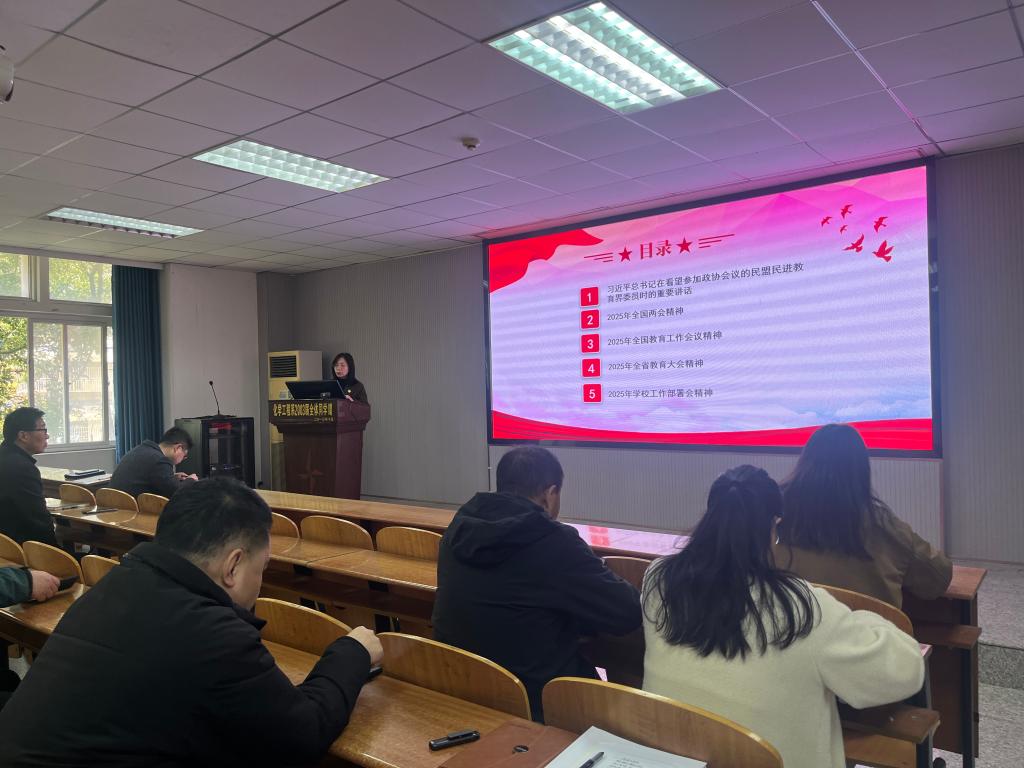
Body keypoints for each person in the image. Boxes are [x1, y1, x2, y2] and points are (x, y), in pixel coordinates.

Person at [0, 477, 383, 767]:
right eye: (262, 568)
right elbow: (302, 736)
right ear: (233, 566)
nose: (260, 582)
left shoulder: (116, 583)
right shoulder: (212, 634)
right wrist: (353, 652)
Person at [642, 465, 924, 768]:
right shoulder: (803, 610)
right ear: (773, 528)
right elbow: (904, 672)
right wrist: (871, 619)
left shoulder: (659, 580)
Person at [432, 446, 641, 721]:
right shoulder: (553, 541)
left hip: (461, 687)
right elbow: (627, 612)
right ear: (549, 494)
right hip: (539, 704)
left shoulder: (458, 529)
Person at [774, 423, 952, 607]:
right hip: (872, 627)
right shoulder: (884, 527)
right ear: (861, 472)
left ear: (804, 465)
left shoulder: (774, 523)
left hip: (795, 626)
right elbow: (939, 579)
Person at [0, 407, 57, 546]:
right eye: (43, 430)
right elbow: (38, 519)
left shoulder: (5, 456)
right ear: (23, 436)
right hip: (21, 547)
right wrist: (57, 551)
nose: (47, 436)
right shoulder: (22, 468)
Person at [108, 426, 199, 499]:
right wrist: (191, 480)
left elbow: (148, 477)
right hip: (130, 512)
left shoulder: (141, 449)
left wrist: (172, 477)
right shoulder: (160, 460)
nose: (183, 459)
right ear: (178, 448)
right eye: (184, 455)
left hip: (113, 506)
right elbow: (176, 493)